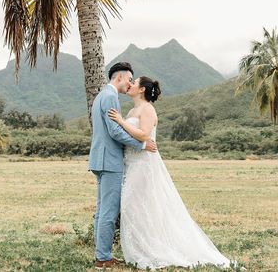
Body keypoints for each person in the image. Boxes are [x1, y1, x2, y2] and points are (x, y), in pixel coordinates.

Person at [108, 76, 234, 270]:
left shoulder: (148, 109)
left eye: (134, 82)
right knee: (133, 206)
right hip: (131, 162)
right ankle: (140, 248)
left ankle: (151, 249)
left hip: (143, 163)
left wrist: (120, 121)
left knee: (137, 204)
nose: (130, 85)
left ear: (141, 89)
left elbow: (143, 134)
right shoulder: (133, 110)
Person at [89, 62, 158, 269]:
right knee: (108, 212)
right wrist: (142, 144)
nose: (129, 84)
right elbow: (115, 132)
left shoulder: (101, 95)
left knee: (102, 210)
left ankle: (102, 254)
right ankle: (103, 257)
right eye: (129, 79)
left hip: (99, 159)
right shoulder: (111, 97)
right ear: (119, 77)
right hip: (110, 160)